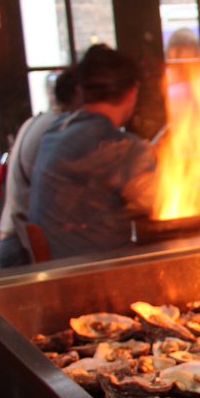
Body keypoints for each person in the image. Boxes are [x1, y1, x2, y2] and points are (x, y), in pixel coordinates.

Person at [28, 44, 156, 261]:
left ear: (83, 90)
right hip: (97, 275)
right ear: (132, 93)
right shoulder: (119, 148)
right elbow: (161, 203)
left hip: (55, 272)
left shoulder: (55, 132)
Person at [0, 68, 81, 267]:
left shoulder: (36, 121)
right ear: (78, 93)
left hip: (9, 237)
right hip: (20, 244)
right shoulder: (57, 130)